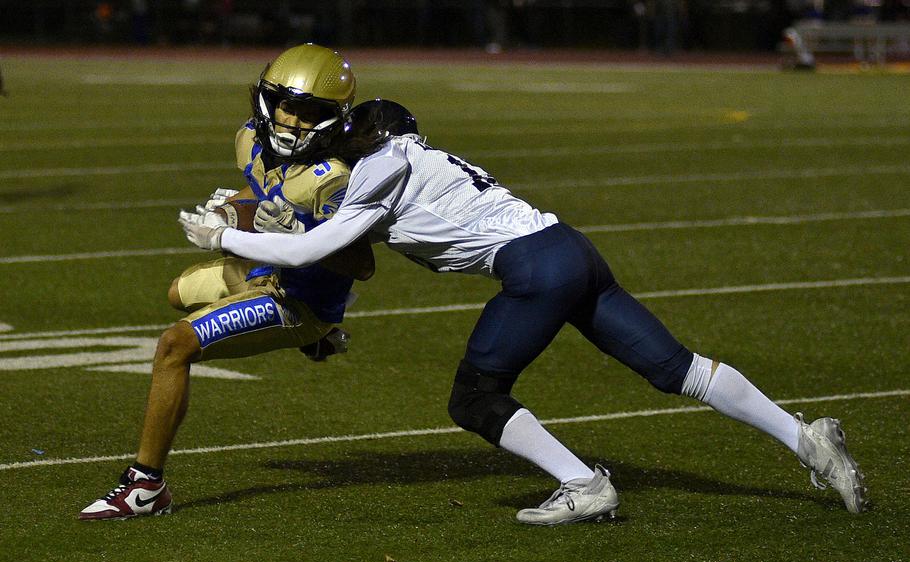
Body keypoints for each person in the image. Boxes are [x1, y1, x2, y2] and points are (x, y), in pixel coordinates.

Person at [179, 46, 868, 525]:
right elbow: (342, 246)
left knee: (474, 398)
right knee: (677, 369)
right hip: (571, 249)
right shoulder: (412, 157)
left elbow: (323, 245)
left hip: (536, 269)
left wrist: (226, 237)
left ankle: (582, 484)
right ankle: (806, 438)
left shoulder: (379, 167)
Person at [78, 44, 377, 521]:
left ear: (331, 117)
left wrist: (303, 234)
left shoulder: (333, 177)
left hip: (296, 298)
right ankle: (317, 341)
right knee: (176, 294)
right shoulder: (250, 139)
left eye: (309, 112)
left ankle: (145, 485)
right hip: (262, 271)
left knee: (175, 347)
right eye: (286, 105)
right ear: (266, 100)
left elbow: (362, 263)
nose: (293, 121)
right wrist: (228, 212)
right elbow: (259, 189)